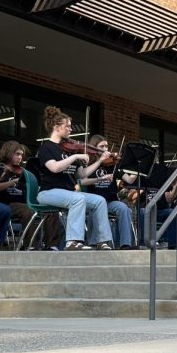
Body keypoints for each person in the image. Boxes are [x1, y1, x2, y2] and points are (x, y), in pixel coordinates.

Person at [36, 106, 113, 251]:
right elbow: (54, 168)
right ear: (56, 127)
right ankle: (72, 242)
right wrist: (75, 156)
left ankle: (100, 241)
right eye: (68, 126)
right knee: (78, 199)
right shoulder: (46, 147)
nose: (71, 129)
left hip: (68, 193)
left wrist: (99, 161)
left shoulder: (68, 148)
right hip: (48, 192)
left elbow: (82, 174)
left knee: (99, 201)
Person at [82, 135, 136, 249]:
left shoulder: (113, 165)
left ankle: (125, 244)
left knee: (123, 208)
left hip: (111, 201)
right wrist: (100, 178)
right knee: (96, 208)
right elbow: (83, 182)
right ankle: (93, 243)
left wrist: (136, 169)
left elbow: (129, 180)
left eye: (106, 146)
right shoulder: (89, 165)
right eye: (102, 146)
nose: (106, 149)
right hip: (93, 201)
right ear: (94, 148)